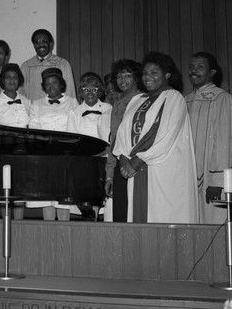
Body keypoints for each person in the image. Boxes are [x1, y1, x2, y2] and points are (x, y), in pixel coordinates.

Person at [113, 51, 198, 224]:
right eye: (144, 73)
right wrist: (123, 157)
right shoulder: (138, 100)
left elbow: (165, 135)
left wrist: (136, 162)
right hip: (136, 169)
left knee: (161, 216)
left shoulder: (173, 97)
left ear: (167, 75)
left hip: (161, 169)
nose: (147, 77)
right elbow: (122, 132)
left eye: (154, 73)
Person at [185, 52, 232, 224]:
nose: (193, 71)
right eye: (191, 67)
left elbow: (223, 141)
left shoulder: (221, 98)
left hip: (210, 178)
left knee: (212, 225)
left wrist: (218, 180)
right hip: (187, 176)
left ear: (212, 72)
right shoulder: (185, 100)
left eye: (200, 67)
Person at [28, 67, 78, 220]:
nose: (51, 87)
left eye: (54, 83)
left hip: (65, 155)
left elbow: (75, 128)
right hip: (45, 155)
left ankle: (63, 233)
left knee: (63, 197)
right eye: (47, 84)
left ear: (61, 84)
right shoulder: (36, 104)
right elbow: (34, 128)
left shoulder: (72, 102)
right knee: (47, 196)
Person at [104, 60, 144, 222]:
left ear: (137, 78)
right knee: (120, 216)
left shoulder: (145, 99)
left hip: (138, 166)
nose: (123, 80)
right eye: (119, 76)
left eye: (128, 75)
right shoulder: (118, 102)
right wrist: (109, 175)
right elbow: (114, 140)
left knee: (137, 216)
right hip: (119, 166)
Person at [20, 29, 76, 101]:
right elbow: (21, 94)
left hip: (57, 109)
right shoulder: (26, 66)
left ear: (51, 44)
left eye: (44, 41)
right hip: (32, 109)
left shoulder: (62, 63)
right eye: (37, 42)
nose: (41, 44)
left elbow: (70, 91)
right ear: (34, 45)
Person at [67, 72, 112, 140]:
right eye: (86, 90)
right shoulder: (74, 112)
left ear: (99, 92)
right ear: (81, 93)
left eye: (94, 90)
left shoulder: (108, 109)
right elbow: (72, 138)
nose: (90, 93)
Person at [0, 63, 31, 127]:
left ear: (19, 80)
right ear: (3, 80)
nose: (12, 80)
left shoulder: (27, 102)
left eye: (15, 77)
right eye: (8, 77)